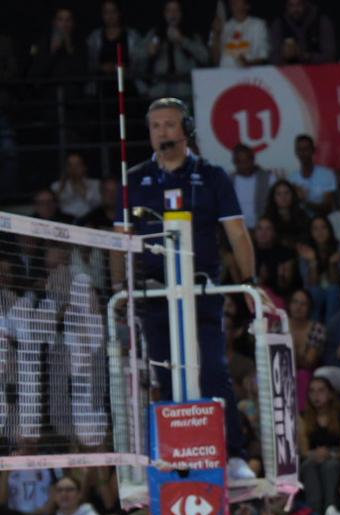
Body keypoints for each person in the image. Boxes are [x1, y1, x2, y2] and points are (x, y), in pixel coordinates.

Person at [118, 99, 255, 484]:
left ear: (186, 130)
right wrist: (121, 288)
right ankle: (168, 460)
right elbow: (120, 242)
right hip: (153, 294)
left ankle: (233, 456)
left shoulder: (211, 177)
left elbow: (237, 234)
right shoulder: (134, 180)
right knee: (162, 376)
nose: (162, 132)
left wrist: (250, 282)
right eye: (155, 126)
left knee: (212, 371)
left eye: (169, 124)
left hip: (201, 291)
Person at [298, 377, 340, 515]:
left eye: (321, 391)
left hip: (337, 458)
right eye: (312, 391)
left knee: (330, 466)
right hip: (313, 457)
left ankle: (331, 512)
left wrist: (329, 454)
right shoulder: (302, 416)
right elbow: (304, 451)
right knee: (308, 466)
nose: (316, 395)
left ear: (330, 394)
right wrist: (316, 455)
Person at [270, 0, 336, 65]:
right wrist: (284, 56)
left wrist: (305, 56)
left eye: (299, 5)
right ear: (286, 6)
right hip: (289, 72)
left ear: (306, 4)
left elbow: (330, 56)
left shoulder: (321, 21)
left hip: (319, 72)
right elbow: (273, 59)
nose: (295, 9)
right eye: (291, 5)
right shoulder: (279, 24)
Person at [287, 134, 337, 214]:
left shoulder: (327, 174)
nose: (302, 153)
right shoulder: (291, 178)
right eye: (299, 149)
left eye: (306, 149)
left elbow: (328, 208)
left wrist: (304, 201)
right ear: (296, 152)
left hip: (323, 223)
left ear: (313, 150)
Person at [215, 0, 269, 66]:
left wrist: (247, 64)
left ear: (247, 6)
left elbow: (262, 57)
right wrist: (217, 34)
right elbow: (216, 61)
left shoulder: (258, 25)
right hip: (224, 73)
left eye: (238, 1)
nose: (234, 3)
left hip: (249, 74)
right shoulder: (225, 26)